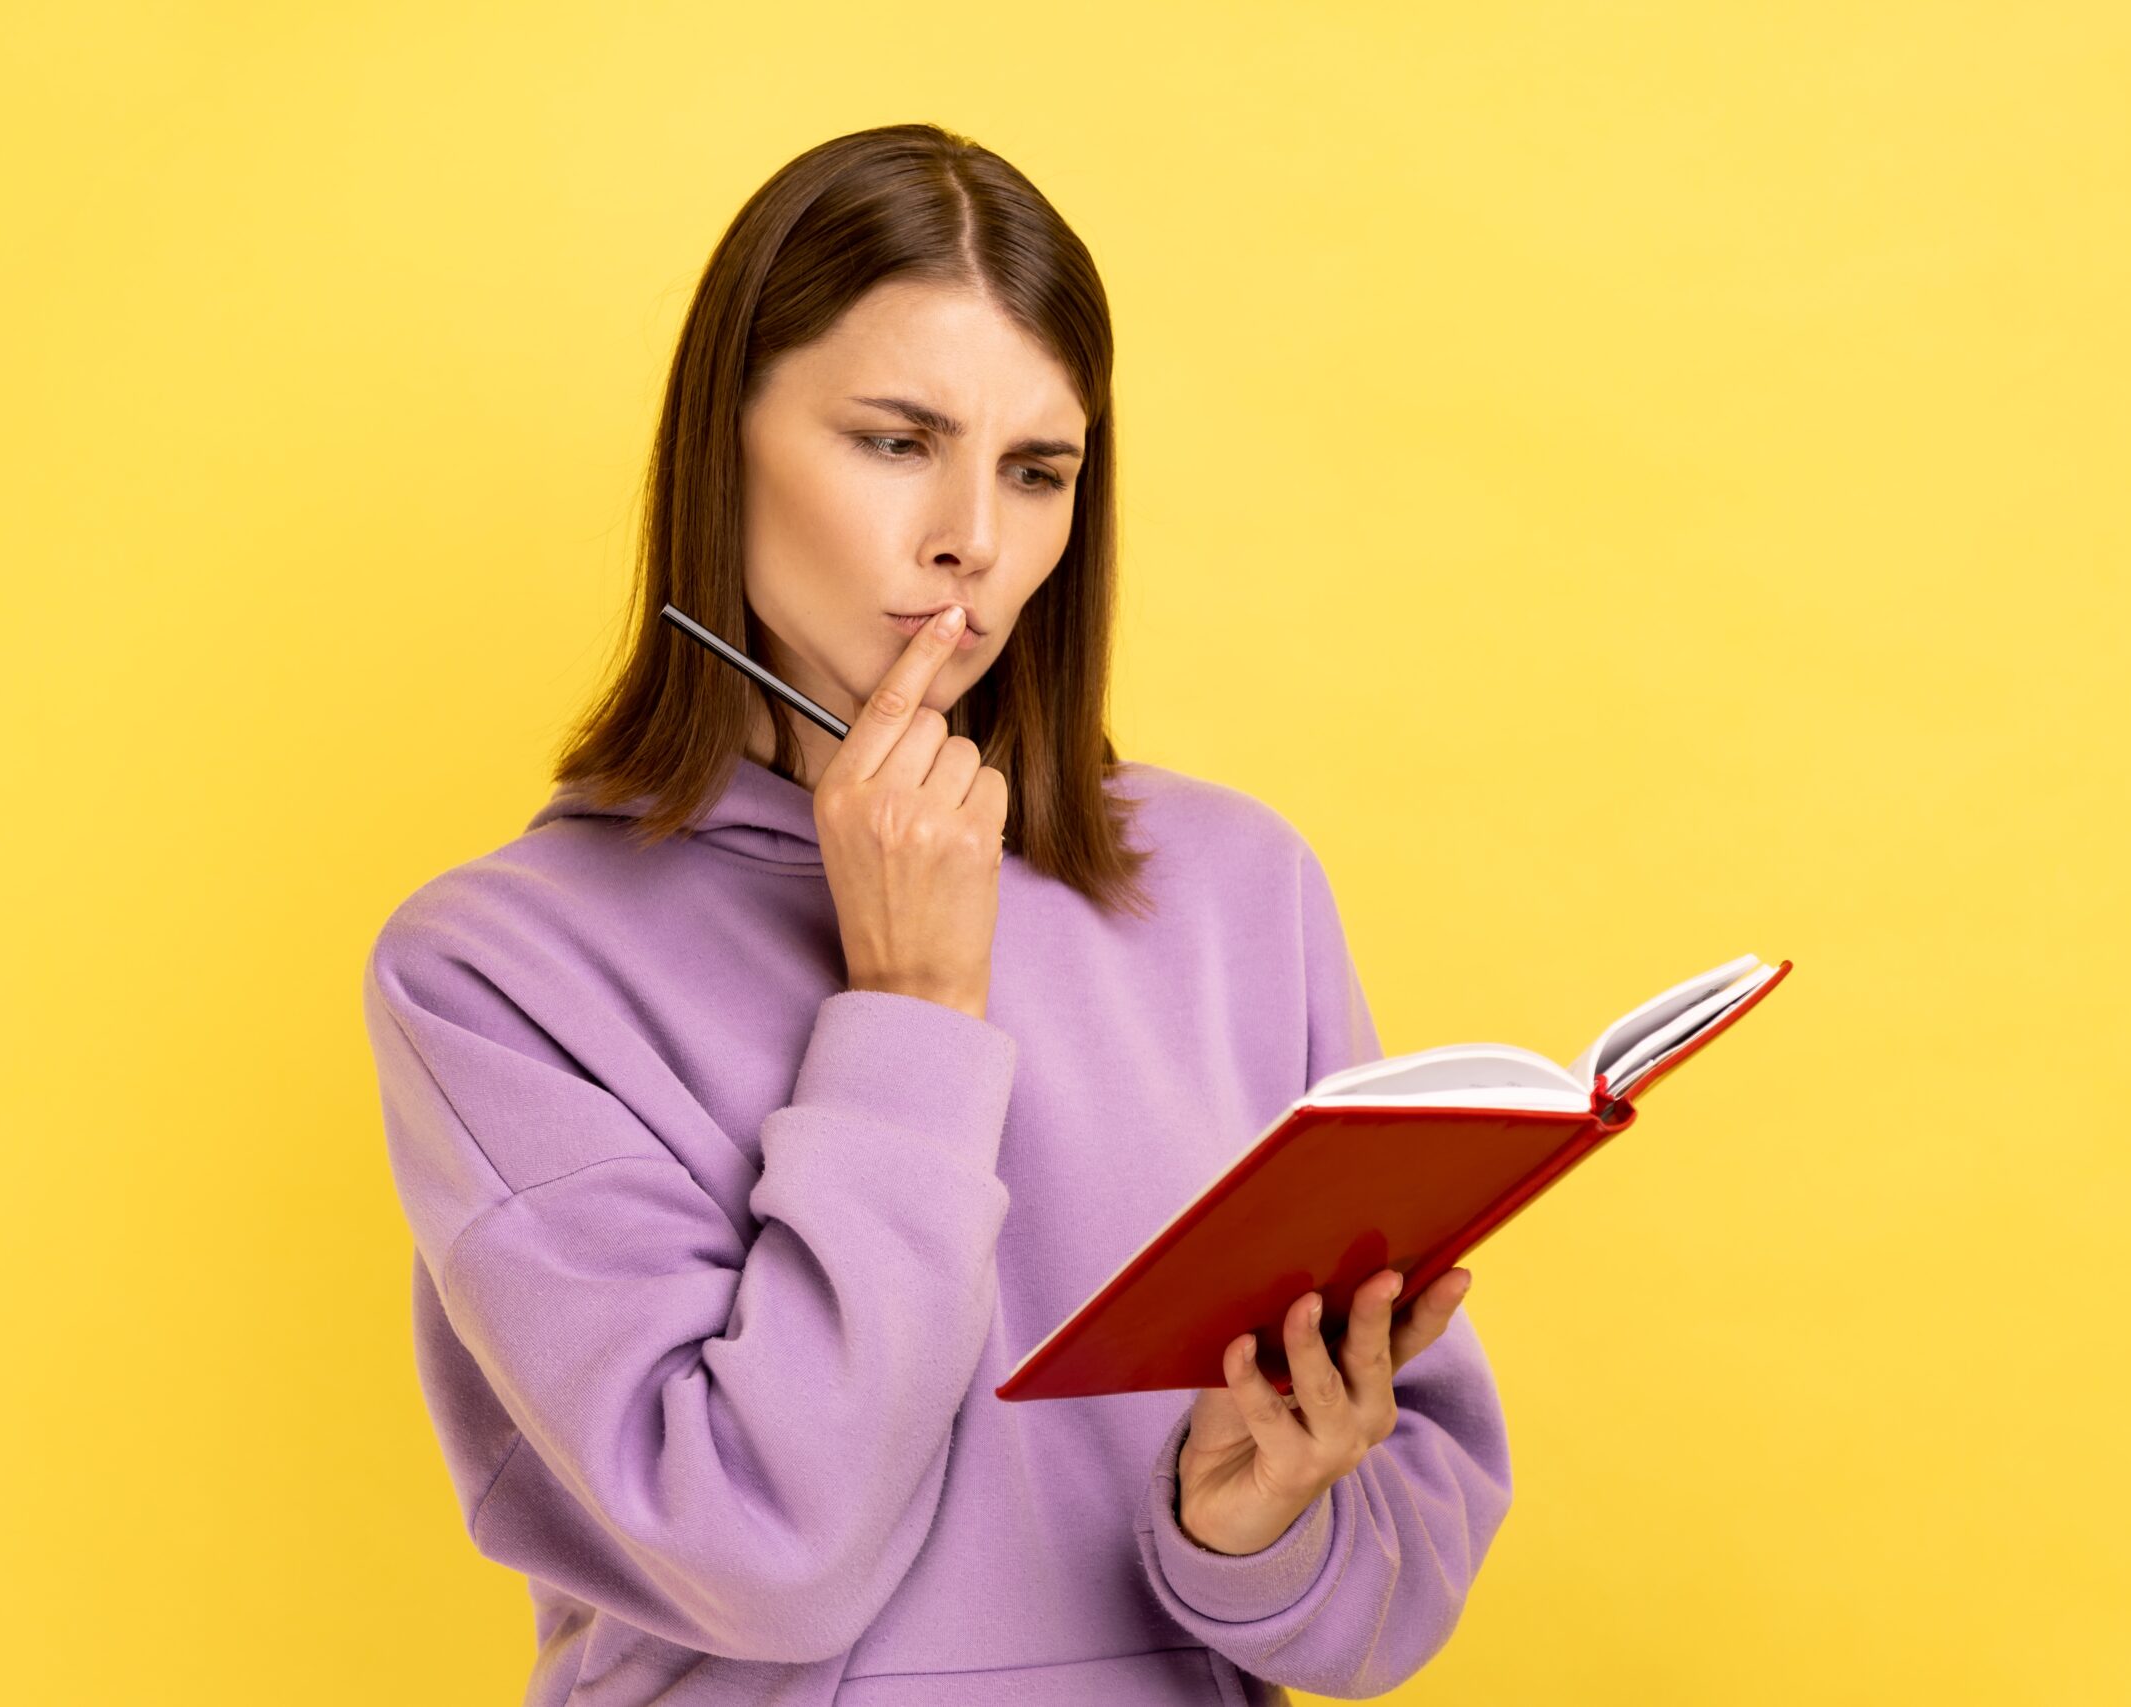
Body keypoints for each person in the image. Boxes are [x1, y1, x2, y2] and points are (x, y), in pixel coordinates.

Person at [361, 121, 1510, 1705]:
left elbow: (1403, 1587)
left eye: (1037, 470)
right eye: (897, 441)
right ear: (727, 443)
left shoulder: (1240, 888)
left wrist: (1251, 1533)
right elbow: (770, 1556)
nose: (975, 533)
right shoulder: (498, 970)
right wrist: (908, 1010)